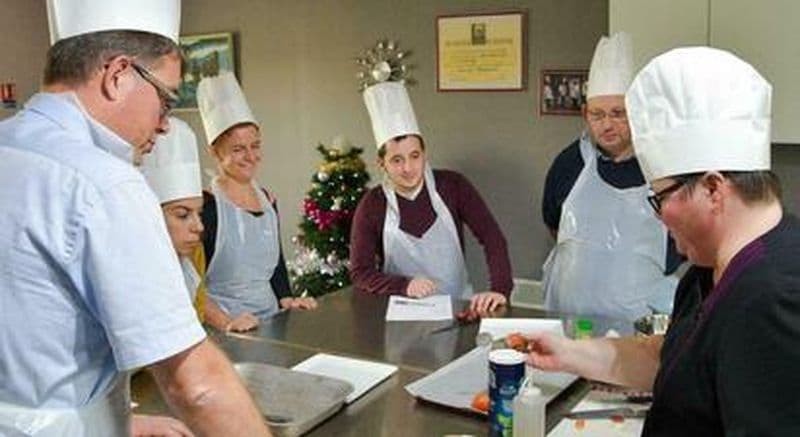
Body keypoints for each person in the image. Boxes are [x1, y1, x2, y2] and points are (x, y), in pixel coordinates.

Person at [0, 1, 271, 435]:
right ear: (118, 75)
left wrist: (121, 420)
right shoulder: (106, 184)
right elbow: (197, 387)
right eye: (166, 99)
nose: (164, 124)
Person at [527, 47, 800, 435]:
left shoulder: (777, 299)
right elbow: (670, 360)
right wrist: (570, 353)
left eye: (660, 198)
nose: (657, 216)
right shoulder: (707, 270)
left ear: (713, 190)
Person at [541, 32, 681, 323]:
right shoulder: (569, 164)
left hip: (641, 323)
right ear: (585, 114)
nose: (607, 125)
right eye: (597, 114)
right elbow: (554, 225)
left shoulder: (665, 166)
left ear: (638, 112)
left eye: (618, 113)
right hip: (569, 318)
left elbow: (686, 236)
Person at [350, 80, 513, 312]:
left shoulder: (453, 186)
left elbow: (492, 237)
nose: (408, 168)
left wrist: (500, 289)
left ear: (425, 154)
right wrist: (404, 285)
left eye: (414, 156)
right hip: (400, 313)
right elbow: (360, 272)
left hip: (458, 308)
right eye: (396, 160)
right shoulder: (372, 205)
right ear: (381, 163)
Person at [196, 72, 316, 323]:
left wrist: (287, 300)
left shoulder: (268, 201)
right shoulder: (206, 207)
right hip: (225, 329)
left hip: (269, 322)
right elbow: (191, 284)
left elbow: (277, 267)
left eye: (255, 145)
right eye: (238, 149)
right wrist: (227, 324)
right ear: (215, 152)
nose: (251, 156)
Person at [141, 116, 260, 333]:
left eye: (199, 213)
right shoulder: (137, 274)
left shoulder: (194, 255)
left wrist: (228, 324)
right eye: (182, 215)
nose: (199, 227)